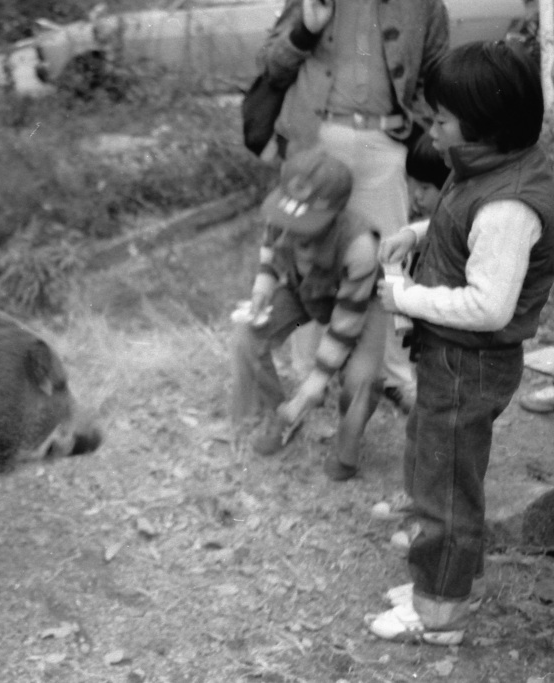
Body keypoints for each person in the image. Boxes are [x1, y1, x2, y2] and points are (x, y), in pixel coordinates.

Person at [368, 39, 554, 644]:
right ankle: (451, 583)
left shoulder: (506, 206)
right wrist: (422, 232)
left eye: (442, 119)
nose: (432, 127)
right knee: (435, 465)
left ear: (483, 130)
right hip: (452, 358)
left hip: (467, 360)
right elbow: (468, 228)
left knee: (446, 487)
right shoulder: (491, 168)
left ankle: (439, 611)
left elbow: (488, 304)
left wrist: (404, 298)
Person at [256, 0, 450, 414]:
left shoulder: (426, 4)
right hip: (319, 139)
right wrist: (305, 30)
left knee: (390, 260)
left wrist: (415, 126)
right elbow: (272, 65)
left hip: (385, 143)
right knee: (306, 254)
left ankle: (395, 376)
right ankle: (308, 374)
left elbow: (437, 71)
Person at [231, 147, 386, 481]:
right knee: (248, 335)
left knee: (360, 381)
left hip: (359, 304)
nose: (290, 230)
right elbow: (270, 256)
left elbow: (346, 323)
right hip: (305, 289)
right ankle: (283, 417)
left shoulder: (359, 247)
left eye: (304, 223)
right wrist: (261, 290)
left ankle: (347, 449)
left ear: (335, 214)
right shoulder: (281, 216)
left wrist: (316, 380)